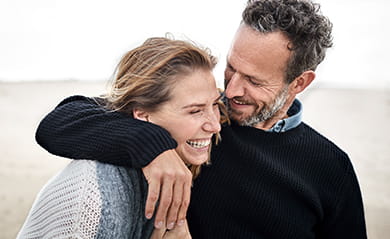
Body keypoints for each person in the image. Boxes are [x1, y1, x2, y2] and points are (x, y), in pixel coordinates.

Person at [34, 0, 367, 238]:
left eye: (253, 80)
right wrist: (153, 147)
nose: (232, 89)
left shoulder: (332, 168)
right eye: (232, 68)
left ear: (299, 83)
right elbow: (60, 122)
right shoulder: (199, 119)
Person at [17, 36, 223, 239]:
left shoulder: (229, 126)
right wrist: (151, 145)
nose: (215, 125)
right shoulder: (93, 201)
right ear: (142, 116)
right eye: (195, 111)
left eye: (215, 104)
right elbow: (58, 122)